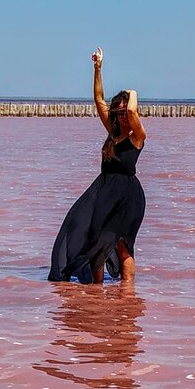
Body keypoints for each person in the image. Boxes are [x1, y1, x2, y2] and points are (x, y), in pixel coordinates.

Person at [48, 47, 146, 284]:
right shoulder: (112, 132)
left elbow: (132, 108)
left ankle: (128, 295)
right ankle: (96, 293)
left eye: (125, 112)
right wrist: (98, 68)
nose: (123, 115)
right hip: (103, 192)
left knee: (123, 245)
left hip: (127, 197)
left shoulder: (137, 135)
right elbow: (98, 99)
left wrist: (131, 92)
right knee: (95, 240)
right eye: (119, 112)